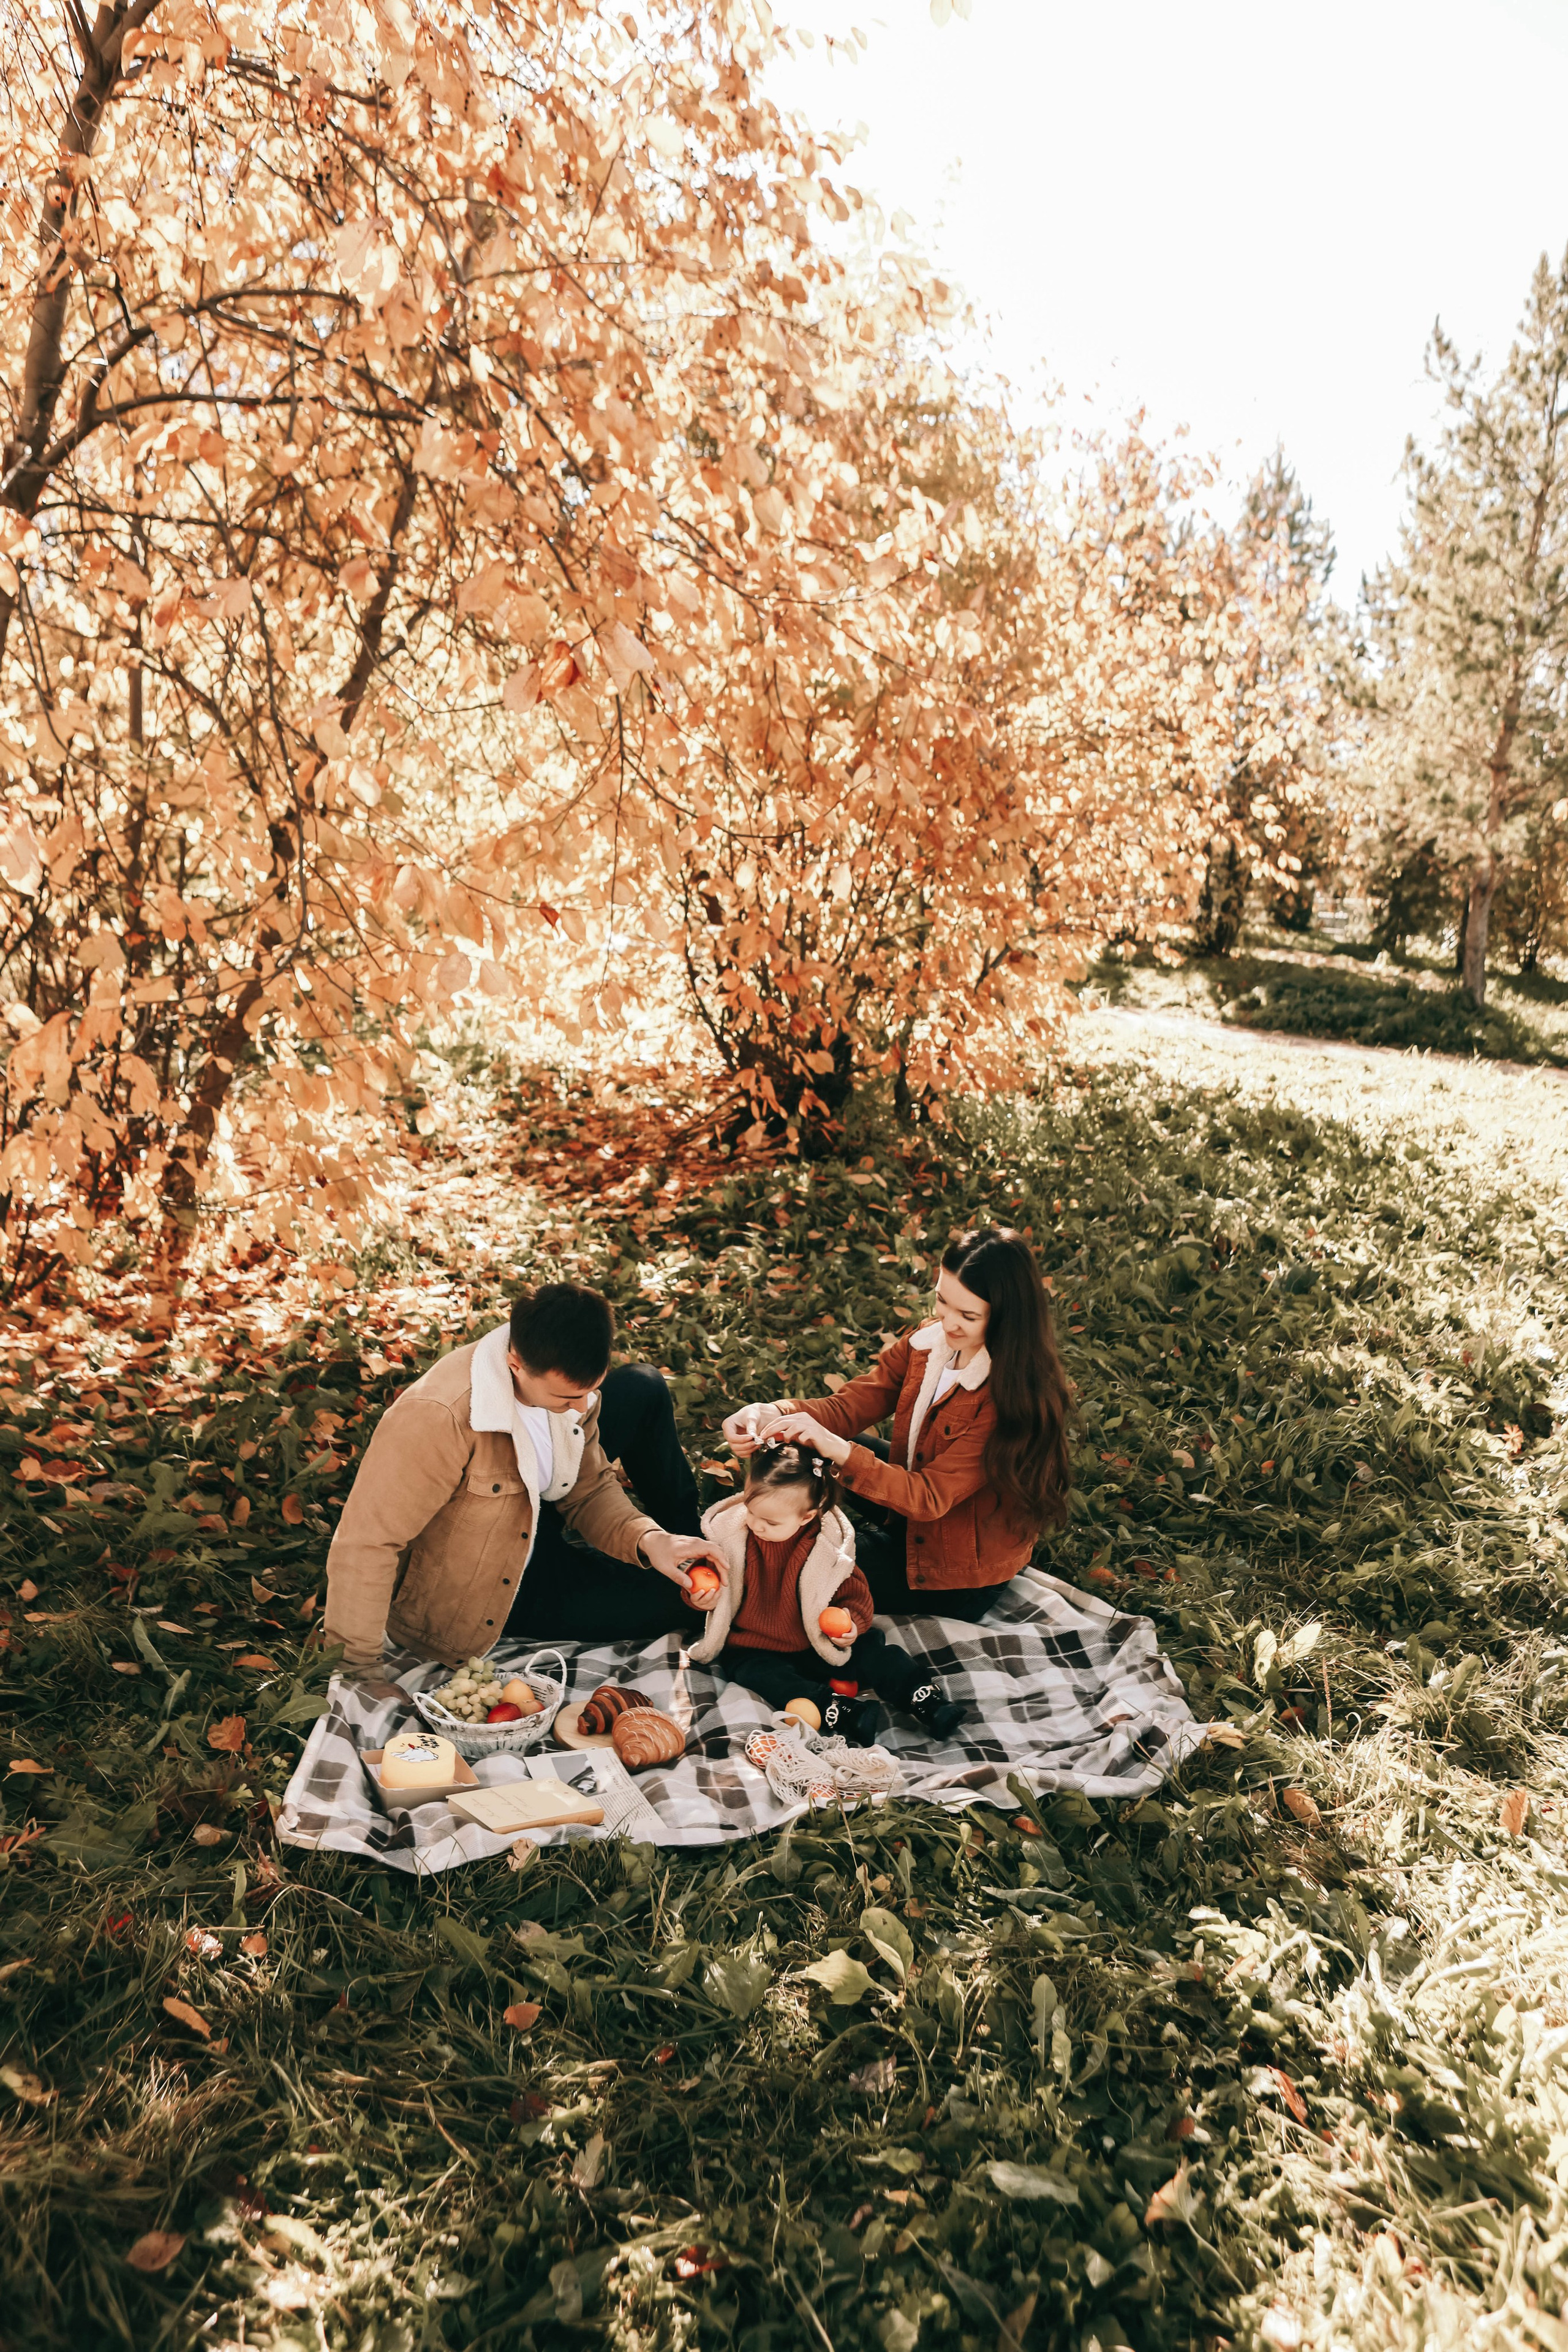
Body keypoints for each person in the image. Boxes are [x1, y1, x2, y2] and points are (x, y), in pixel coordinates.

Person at [324, 1281, 718, 1673]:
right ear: (515, 1363)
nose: (582, 1407)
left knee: (641, 1386)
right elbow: (367, 1543)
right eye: (566, 1399)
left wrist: (650, 1541)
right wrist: (359, 1667)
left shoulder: (565, 1389)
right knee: (686, 1602)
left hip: (530, 1507)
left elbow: (588, 1489)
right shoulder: (438, 1417)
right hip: (492, 1581)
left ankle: (686, 1540)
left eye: (590, 1391)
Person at [722, 1226, 1071, 1621]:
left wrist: (839, 1450)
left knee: (797, 1568)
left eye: (968, 1315)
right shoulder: (930, 1342)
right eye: (943, 1302)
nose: (949, 1323)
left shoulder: (1008, 1397)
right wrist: (776, 1413)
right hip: (912, 1513)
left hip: (952, 1576)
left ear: (1007, 1317)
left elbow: (929, 1497)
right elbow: (852, 1405)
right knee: (808, 1439)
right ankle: (777, 1526)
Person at [688, 1440, 965, 1743]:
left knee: (873, 1652)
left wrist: (850, 1623)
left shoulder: (826, 1549)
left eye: (770, 1521)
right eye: (751, 1511)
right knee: (757, 1675)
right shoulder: (733, 1539)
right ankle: (844, 1712)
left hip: (816, 1642)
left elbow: (855, 1594)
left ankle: (925, 1700)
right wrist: (702, 1596)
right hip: (758, 1646)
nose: (757, 1525)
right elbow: (707, 1574)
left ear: (807, 1516)